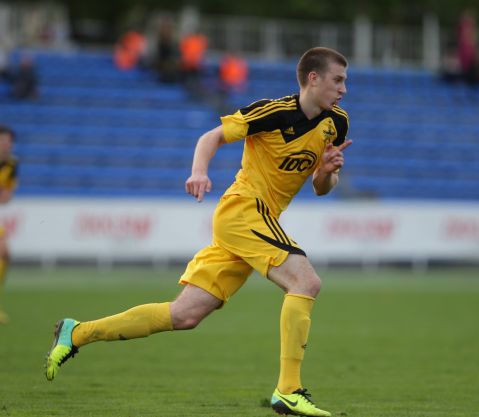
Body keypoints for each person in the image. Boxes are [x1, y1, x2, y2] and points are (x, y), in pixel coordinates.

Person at [44, 46, 351, 417]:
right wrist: (199, 171)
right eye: (338, 80)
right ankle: (288, 390)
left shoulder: (337, 124)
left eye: (344, 81)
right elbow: (210, 138)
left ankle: (76, 333)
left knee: (184, 315)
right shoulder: (273, 111)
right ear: (313, 78)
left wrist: (328, 171)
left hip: (257, 221)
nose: (343, 89)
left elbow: (321, 187)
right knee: (306, 282)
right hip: (243, 211)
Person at [0, 125, 18, 324]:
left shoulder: (12, 165)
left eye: (9, 141)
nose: (7, 144)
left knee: (4, 253)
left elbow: (6, 197)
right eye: (3, 140)